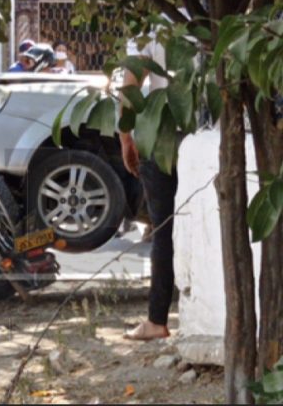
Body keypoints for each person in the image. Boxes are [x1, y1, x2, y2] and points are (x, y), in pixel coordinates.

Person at [121, 31, 179, 341]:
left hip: (160, 135)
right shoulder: (221, 14)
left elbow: (131, 87)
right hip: (210, 136)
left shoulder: (154, 29)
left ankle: (157, 321)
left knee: (163, 232)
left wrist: (126, 138)